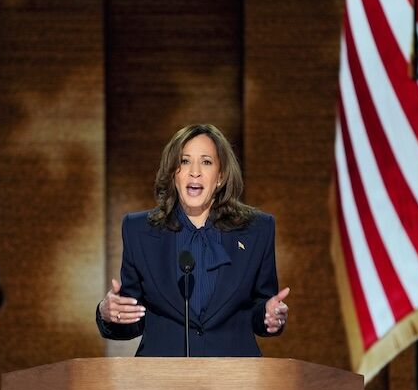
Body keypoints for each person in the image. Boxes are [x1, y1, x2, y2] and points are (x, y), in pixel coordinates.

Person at [96, 123, 289, 356]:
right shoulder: (139, 230)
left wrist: (269, 315)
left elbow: (261, 310)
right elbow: (132, 322)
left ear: (220, 176)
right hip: (161, 381)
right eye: (185, 161)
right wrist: (110, 313)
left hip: (234, 380)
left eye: (206, 162)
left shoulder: (257, 229)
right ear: (173, 173)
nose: (194, 171)